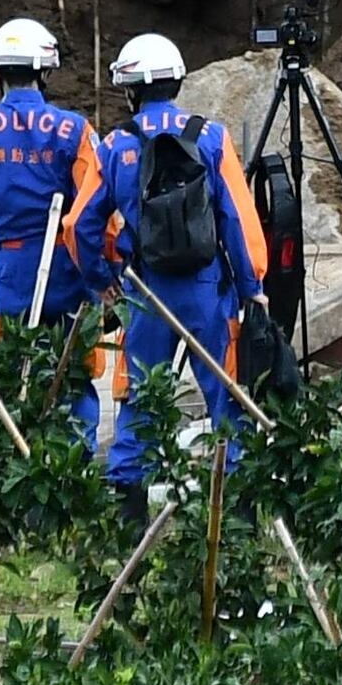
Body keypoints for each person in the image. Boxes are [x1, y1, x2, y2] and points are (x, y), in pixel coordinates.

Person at [64, 31, 267, 500]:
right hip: (207, 288)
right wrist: (250, 285)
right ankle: (232, 515)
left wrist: (103, 283)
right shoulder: (212, 137)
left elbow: (78, 226)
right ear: (177, 81)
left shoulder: (114, 146)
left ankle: (129, 519)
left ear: (129, 89)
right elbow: (236, 218)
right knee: (225, 399)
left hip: (144, 290)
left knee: (141, 399)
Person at [0, 15, 101, 330]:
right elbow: (93, 203)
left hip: (10, 265)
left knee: (14, 365)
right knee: (71, 365)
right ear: (45, 71)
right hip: (65, 263)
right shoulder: (75, 128)